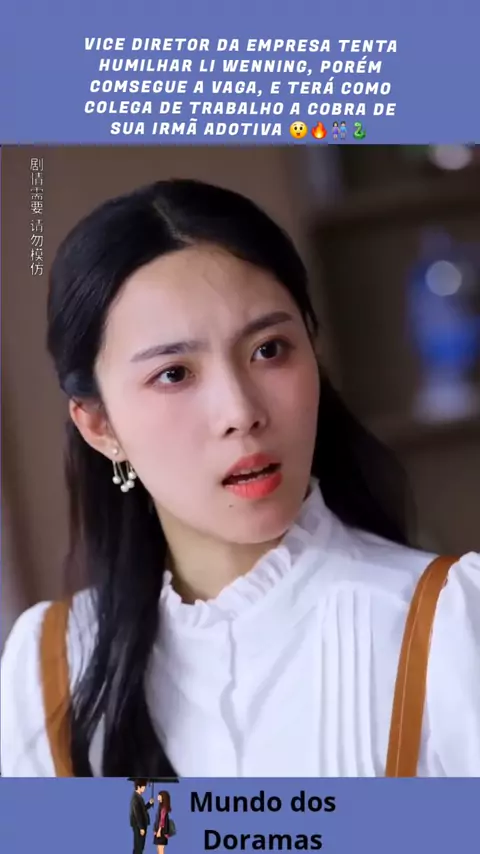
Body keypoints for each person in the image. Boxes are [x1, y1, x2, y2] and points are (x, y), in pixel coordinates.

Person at [0, 178, 479, 778]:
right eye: (174, 374)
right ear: (100, 425)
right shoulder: (49, 671)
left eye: (269, 350)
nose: (240, 412)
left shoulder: (449, 625)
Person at [130, 779, 154, 854]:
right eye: (143, 787)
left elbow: (142, 809)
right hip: (139, 826)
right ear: (138, 787)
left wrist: (149, 804)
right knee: (139, 846)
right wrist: (141, 828)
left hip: (141, 825)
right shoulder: (136, 798)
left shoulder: (138, 797)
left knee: (140, 846)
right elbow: (137, 814)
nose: (144, 789)